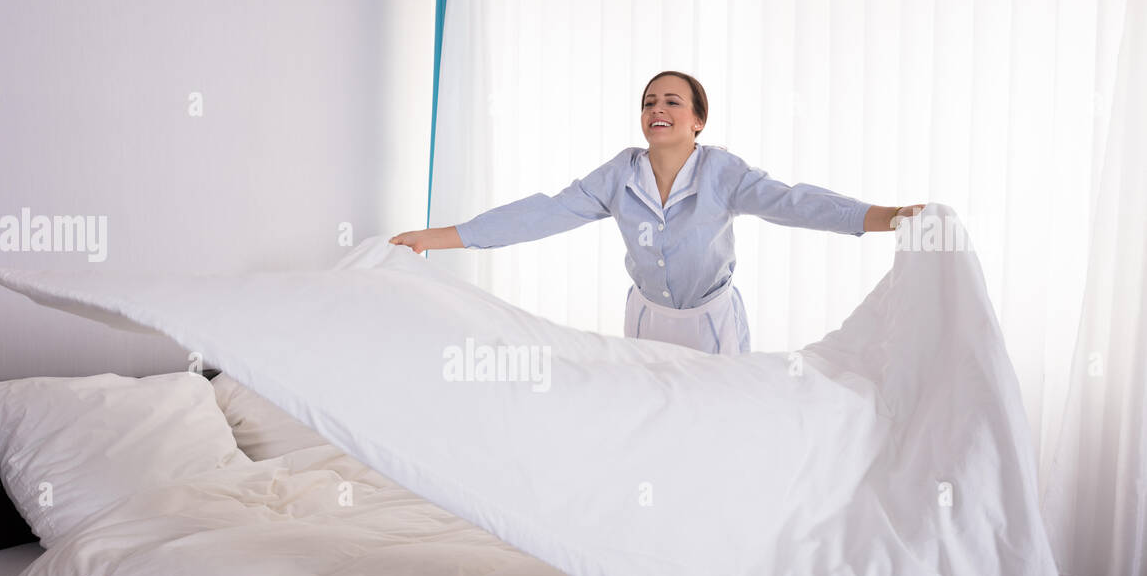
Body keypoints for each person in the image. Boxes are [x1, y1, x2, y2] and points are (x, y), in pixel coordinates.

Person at [390, 70, 925, 355]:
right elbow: (543, 214)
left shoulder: (722, 173)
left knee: (717, 425)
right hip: (646, 318)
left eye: (671, 101)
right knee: (653, 424)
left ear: (697, 120)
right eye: (649, 102)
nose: (657, 109)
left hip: (711, 322)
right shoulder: (619, 174)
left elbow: (794, 202)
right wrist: (435, 238)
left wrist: (890, 215)